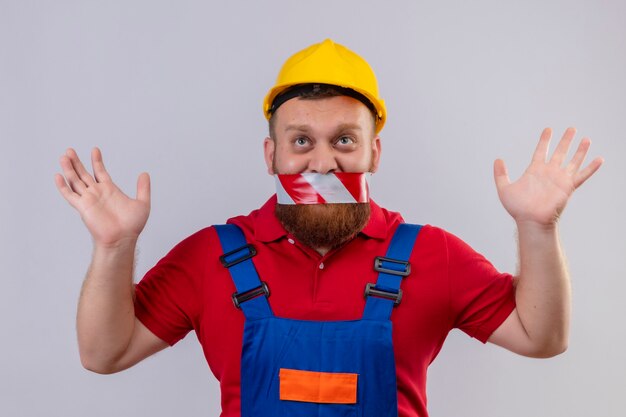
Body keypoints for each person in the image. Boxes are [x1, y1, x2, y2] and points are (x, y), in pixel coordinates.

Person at [55, 39, 603, 417]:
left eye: (344, 140)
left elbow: (543, 339)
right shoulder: (211, 257)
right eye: (301, 142)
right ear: (271, 155)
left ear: (374, 153)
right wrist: (114, 245)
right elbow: (105, 354)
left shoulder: (430, 254)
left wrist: (538, 228)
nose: (322, 164)